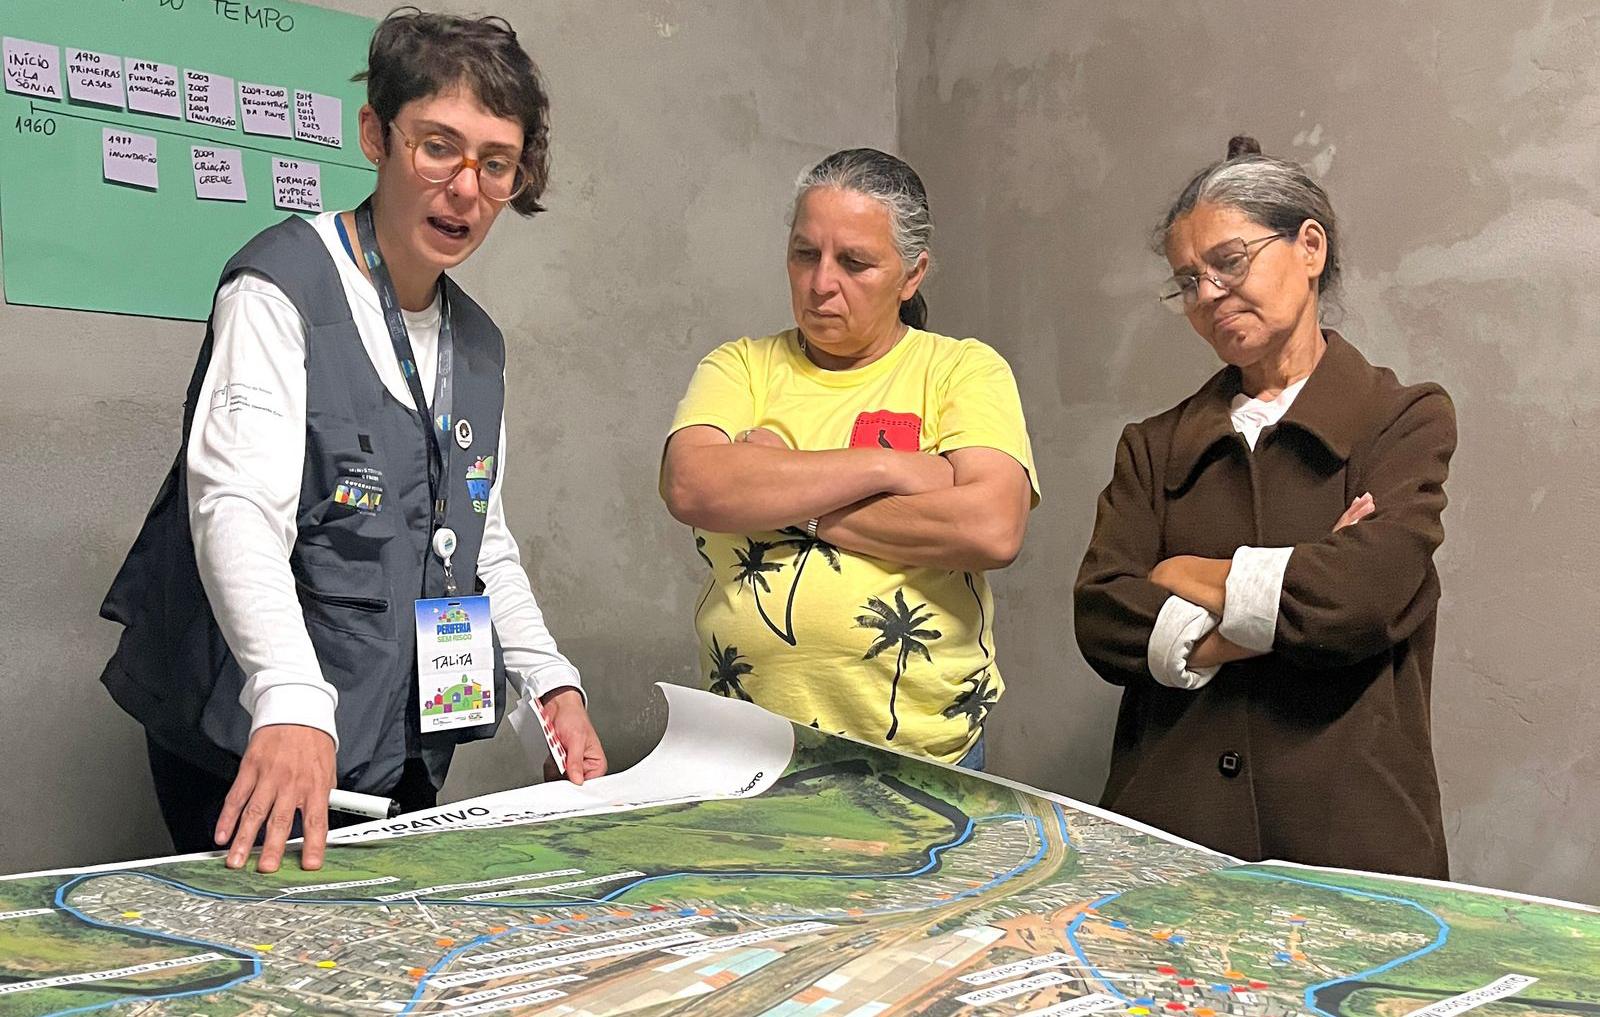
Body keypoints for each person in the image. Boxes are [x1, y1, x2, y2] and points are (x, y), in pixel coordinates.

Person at [98, 8, 605, 873]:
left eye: (496, 163)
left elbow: (479, 537)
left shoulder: (479, 345)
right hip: (259, 736)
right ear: (376, 134)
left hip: (395, 741)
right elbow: (236, 505)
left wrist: (549, 685)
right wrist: (290, 695)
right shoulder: (279, 288)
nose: (466, 187)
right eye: (438, 147)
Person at [1073, 136, 1455, 878]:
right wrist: (1283, 595)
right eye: (1188, 281)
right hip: (1169, 836)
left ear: (1309, 247)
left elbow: (1361, 596)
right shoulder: (1153, 445)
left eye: (1230, 262)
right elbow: (1101, 618)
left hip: (1350, 840)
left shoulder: (1402, 419)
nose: (1209, 294)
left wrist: (1185, 574)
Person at [660, 148, 1038, 769]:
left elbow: (991, 527)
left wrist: (783, 493)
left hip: (925, 754)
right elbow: (692, 485)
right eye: (805, 254)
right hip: (745, 750)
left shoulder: (963, 370)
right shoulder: (740, 366)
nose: (820, 283)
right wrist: (885, 467)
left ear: (912, 275)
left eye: (855, 262)